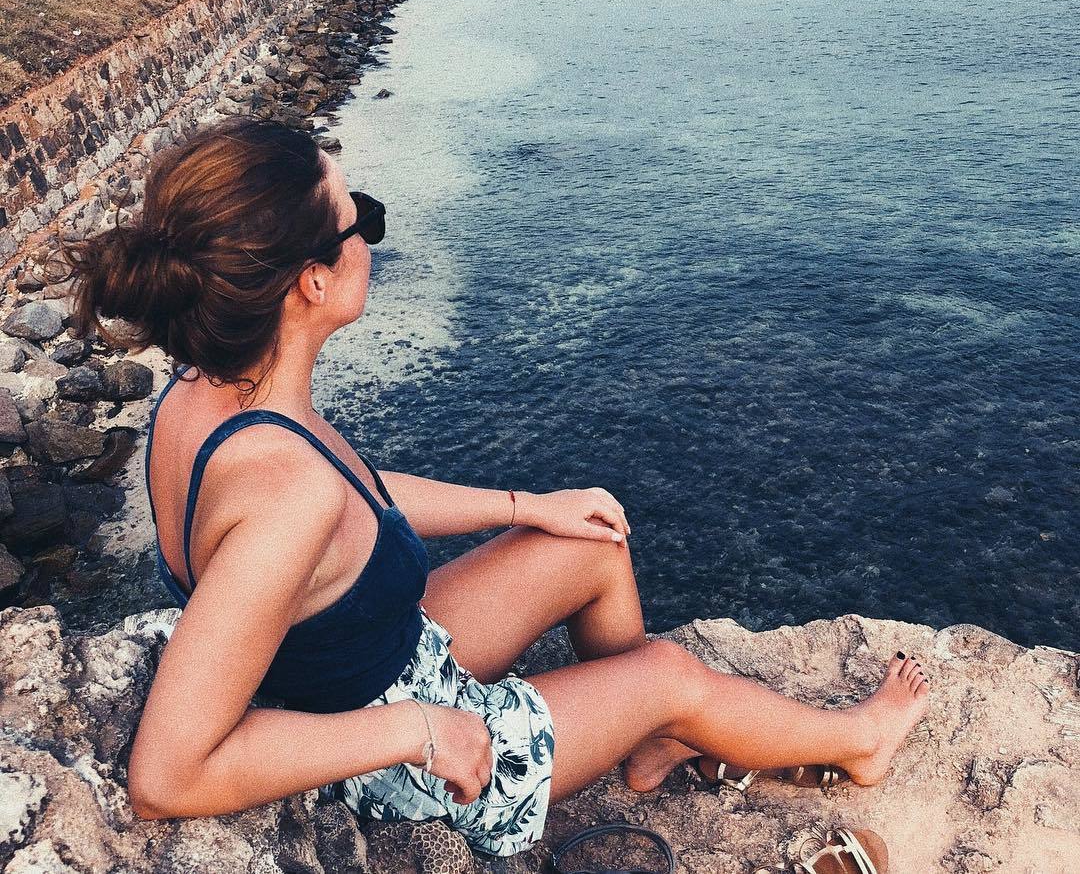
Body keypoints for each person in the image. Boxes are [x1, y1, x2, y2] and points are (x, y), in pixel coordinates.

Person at [66, 119, 930, 859]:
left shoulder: (205, 391)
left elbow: (352, 495)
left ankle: (652, 739)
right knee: (672, 672)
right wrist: (418, 730)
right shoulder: (285, 492)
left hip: (371, 653)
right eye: (358, 216)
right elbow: (165, 775)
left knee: (590, 541)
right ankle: (855, 742)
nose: (370, 232)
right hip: (392, 754)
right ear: (313, 281)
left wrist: (525, 506)